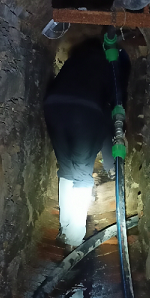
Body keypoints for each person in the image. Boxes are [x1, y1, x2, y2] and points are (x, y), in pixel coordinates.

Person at [43, 35, 129, 248]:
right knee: (82, 171)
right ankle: (74, 237)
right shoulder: (110, 62)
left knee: (66, 168)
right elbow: (116, 98)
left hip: (54, 105)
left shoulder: (76, 59)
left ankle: (66, 230)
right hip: (85, 110)